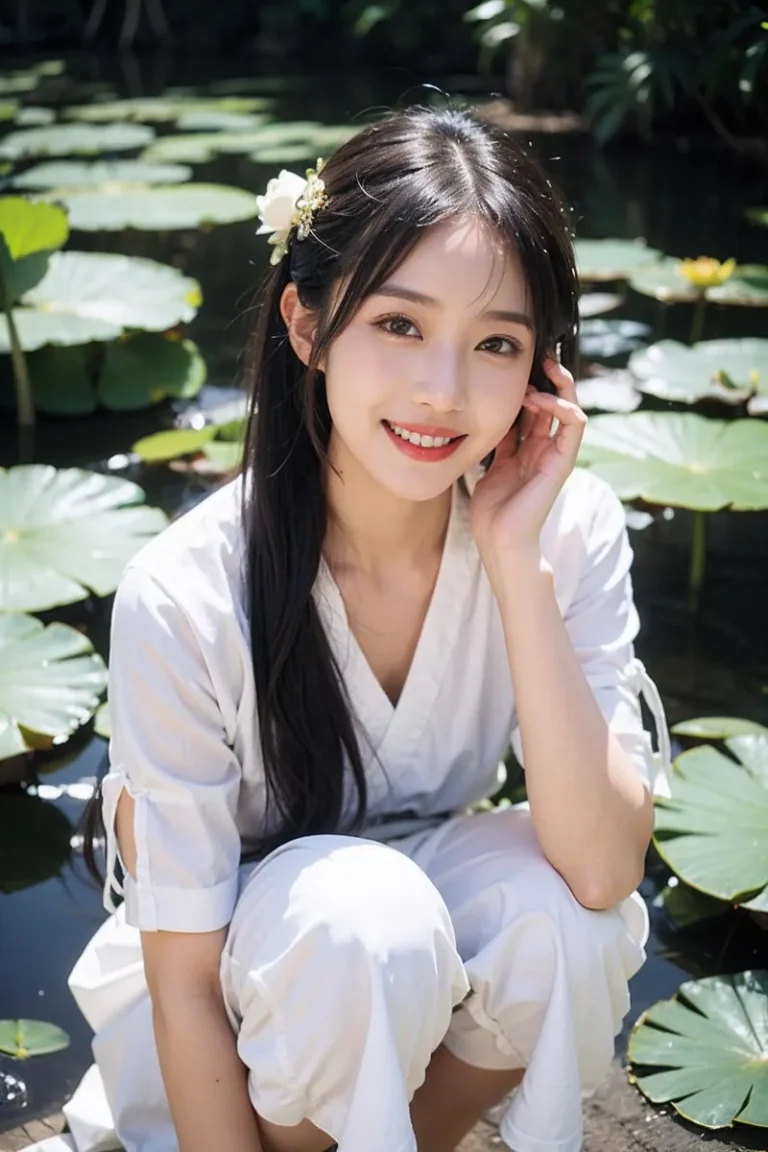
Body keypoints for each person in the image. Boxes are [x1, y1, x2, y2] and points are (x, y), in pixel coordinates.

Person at [64, 105, 670, 1152]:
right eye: (399, 324)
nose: (443, 392)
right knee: (361, 923)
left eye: (495, 344)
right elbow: (185, 985)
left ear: (541, 375)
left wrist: (515, 562)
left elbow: (606, 870)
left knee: (563, 920)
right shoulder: (186, 592)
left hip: (406, 951)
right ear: (306, 326)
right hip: (257, 998)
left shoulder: (564, 532)